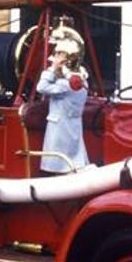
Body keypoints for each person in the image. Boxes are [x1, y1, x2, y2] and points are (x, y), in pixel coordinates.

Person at [35, 39, 91, 173]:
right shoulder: (82, 81)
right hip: (73, 125)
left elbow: (41, 87)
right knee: (73, 158)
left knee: (60, 163)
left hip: (60, 127)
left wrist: (53, 68)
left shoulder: (65, 85)